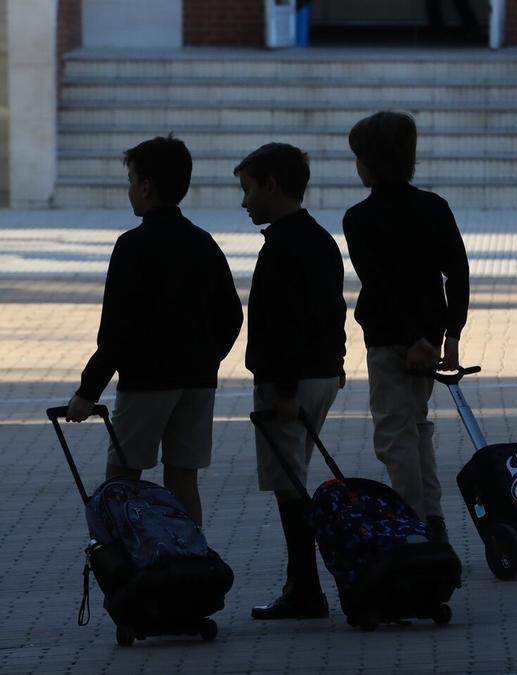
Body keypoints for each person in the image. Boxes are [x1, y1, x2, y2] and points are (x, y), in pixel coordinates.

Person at [65, 135, 242, 529]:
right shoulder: (203, 242)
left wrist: (87, 391)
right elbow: (232, 315)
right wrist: (204, 357)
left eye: (131, 180)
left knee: (123, 479)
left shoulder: (133, 246)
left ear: (146, 186)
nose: (129, 189)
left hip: (146, 381)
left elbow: (116, 330)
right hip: (197, 382)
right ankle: (191, 561)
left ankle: (130, 566)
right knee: (183, 478)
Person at [343, 111, 470, 544]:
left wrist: (413, 337)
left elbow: (378, 284)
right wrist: (447, 335)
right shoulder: (434, 207)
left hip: (389, 338)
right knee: (416, 426)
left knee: (394, 432)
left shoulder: (359, 217)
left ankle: (415, 524)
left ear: (370, 161)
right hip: (431, 337)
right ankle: (431, 518)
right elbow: (457, 273)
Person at [236, 143, 347, 620]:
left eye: (248, 190)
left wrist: (280, 390)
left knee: (289, 487)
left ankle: (305, 588)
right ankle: (303, 585)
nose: (244, 203)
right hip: (322, 374)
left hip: (290, 384)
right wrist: (337, 364)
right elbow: (332, 311)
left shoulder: (281, 248)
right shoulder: (320, 238)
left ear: (272, 185)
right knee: (295, 479)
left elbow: (282, 326)